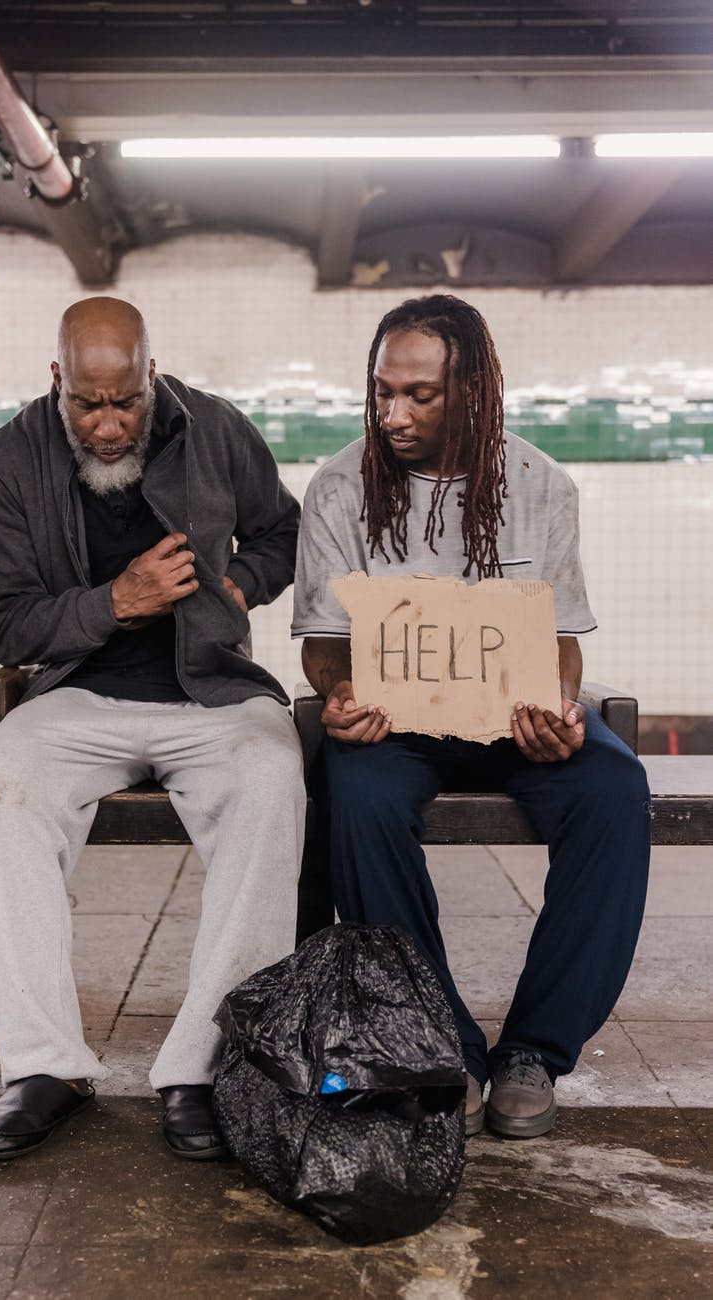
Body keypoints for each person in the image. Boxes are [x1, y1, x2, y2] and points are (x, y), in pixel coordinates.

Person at [292, 294, 650, 1139]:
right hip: (397, 724)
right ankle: (440, 1040)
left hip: (514, 716)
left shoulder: (539, 485)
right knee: (358, 794)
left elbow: (560, 639)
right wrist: (339, 698)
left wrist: (561, 708)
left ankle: (533, 1050)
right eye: (381, 392)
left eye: (418, 394)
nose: (392, 414)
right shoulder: (340, 487)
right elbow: (320, 643)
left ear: (473, 394)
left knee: (612, 788)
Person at [0, 296, 305, 1162]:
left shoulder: (217, 429)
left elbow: (283, 528)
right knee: (2, 772)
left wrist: (241, 584)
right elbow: (3, 622)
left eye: (126, 402)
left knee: (272, 777)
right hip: (81, 694)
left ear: (151, 376)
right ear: (56, 383)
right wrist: (116, 603)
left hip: (212, 692)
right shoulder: (8, 459)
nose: (109, 425)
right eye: (88, 404)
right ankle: (43, 1068)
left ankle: (202, 1065)